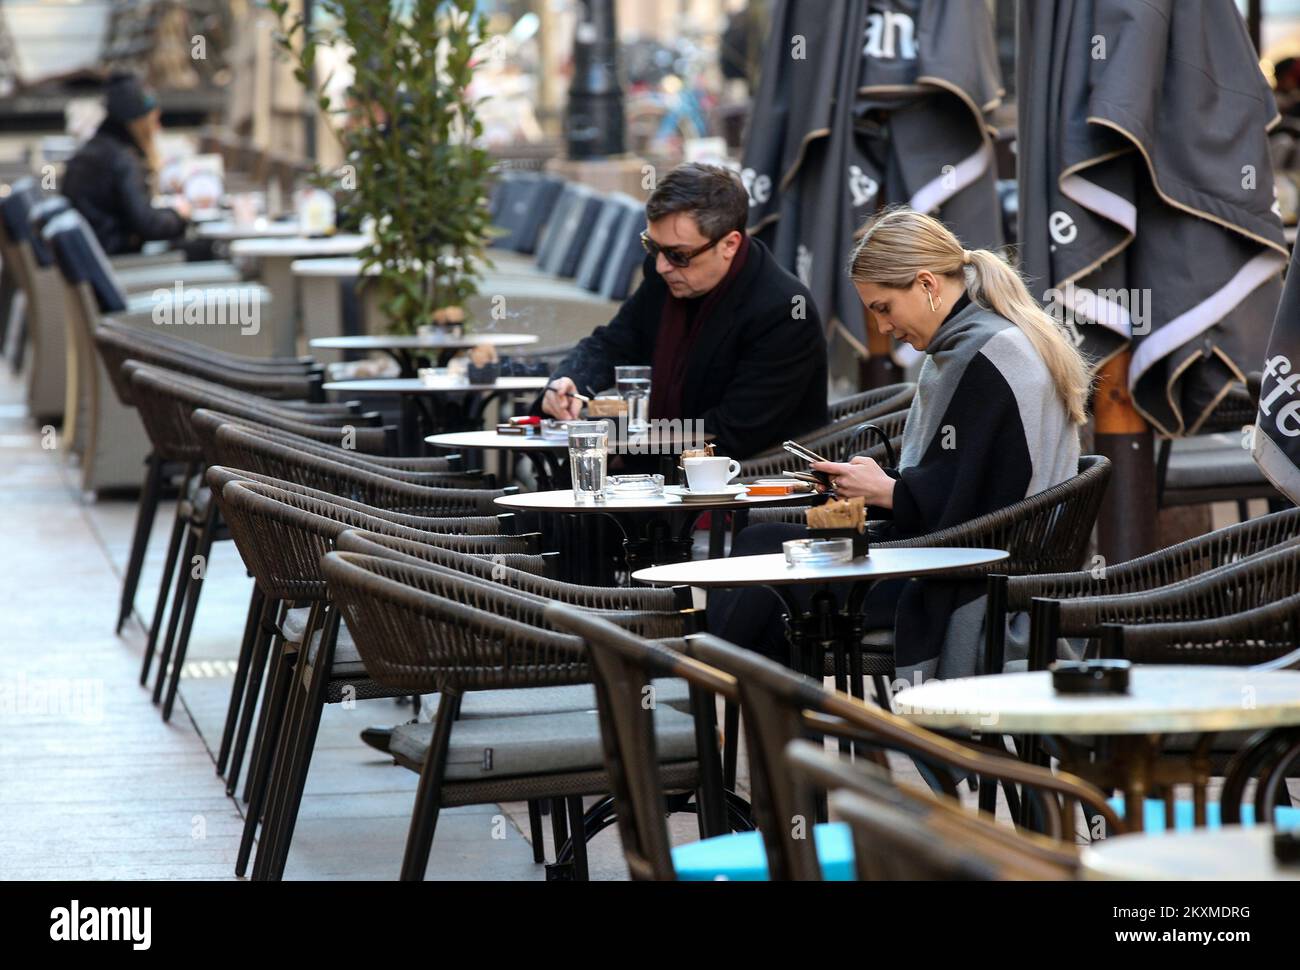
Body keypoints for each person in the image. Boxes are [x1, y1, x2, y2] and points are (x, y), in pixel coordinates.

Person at [708, 206, 1091, 683]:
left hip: (965, 580)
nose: (884, 328)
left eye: (883, 308)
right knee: (762, 553)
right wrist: (881, 487)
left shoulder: (985, 355)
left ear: (927, 284)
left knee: (764, 571)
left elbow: (974, 510)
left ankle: (710, 712)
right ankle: (748, 725)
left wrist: (887, 492)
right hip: (967, 558)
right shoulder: (983, 341)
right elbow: (970, 486)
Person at [539, 162, 828, 459]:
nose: (662, 265)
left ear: (729, 244)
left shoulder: (786, 309)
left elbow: (735, 430)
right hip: (663, 466)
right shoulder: (665, 275)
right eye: (652, 246)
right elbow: (614, 343)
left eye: (678, 254)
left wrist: (619, 440)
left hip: (755, 484)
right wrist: (569, 381)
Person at [62, 73, 190, 256]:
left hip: (95, 257)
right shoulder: (122, 159)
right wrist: (179, 215)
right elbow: (148, 226)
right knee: (201, 251)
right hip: (118, 264)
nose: (158, 128)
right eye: (154, 121)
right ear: (140, 122)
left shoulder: (95, 149)